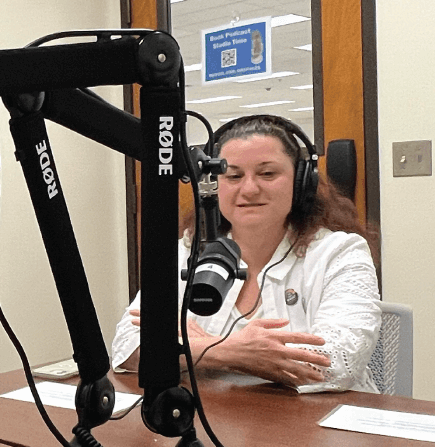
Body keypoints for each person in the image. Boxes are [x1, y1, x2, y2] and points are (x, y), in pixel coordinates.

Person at [110, 114, 381, 393]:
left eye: (267, 173)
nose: (249, 189)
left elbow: (336, 361)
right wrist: (228, 350)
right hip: (219, 416)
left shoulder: (341, 253)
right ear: (214, 186)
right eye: (234, 175)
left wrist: (194, 349)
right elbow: (127, 345)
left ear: (301, 183)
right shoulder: (188, 250)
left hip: (319, 424)